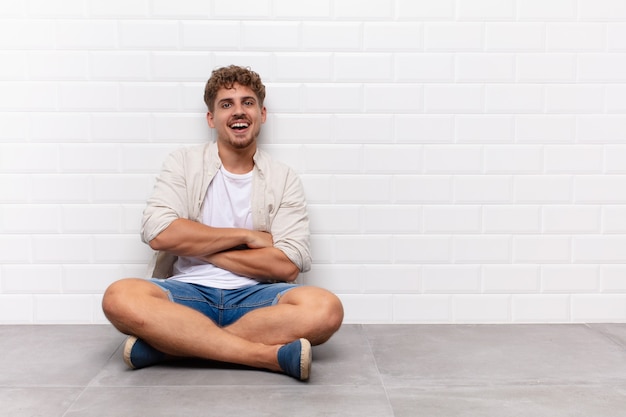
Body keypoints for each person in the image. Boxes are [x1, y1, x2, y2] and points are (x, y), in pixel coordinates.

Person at [102, 65, 344, 381]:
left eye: (247, 102)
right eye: (226, 104)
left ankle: (172, 345)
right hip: (187, 293)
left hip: (257, 299)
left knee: (326, 308)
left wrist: (197, 245)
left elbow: (287, 264)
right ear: (211, 118)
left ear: (262, 113)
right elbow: (159, 232)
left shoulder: (283, 178)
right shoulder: (183, 163)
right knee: (118, 296)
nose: (238, 111)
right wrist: (247, 236)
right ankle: (264, 356)